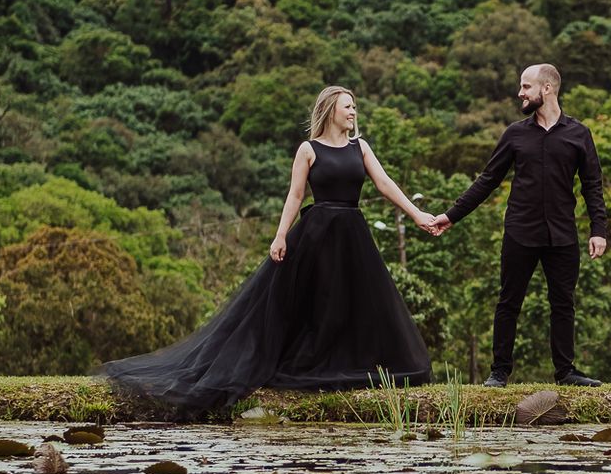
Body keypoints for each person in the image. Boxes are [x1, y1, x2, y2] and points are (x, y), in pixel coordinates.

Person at [102, 87, 434, 411]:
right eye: (347, 106)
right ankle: (309, 365)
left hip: (353, 235)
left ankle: (348, 365)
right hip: (316, 235)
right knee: (317, 303)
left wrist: (417, 215)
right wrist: (280, 236)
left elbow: (385, 183)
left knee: (355, 303)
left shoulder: (360, 147)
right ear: (331, 109)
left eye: (354, 107)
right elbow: (295, 195)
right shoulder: (308, 149)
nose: (353, 112)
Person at [422, 64, 608, 387]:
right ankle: (499, 371)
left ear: (546, 89)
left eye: (526, 87)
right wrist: (451, 216)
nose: (520, 93)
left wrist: (599, 230)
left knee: (563, 303)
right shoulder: (515, 134)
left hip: (562, 234)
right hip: (520, 232)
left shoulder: (579, 134)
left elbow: (593, 185)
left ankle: (566, 372)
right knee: (509, 301)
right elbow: (487, 180)